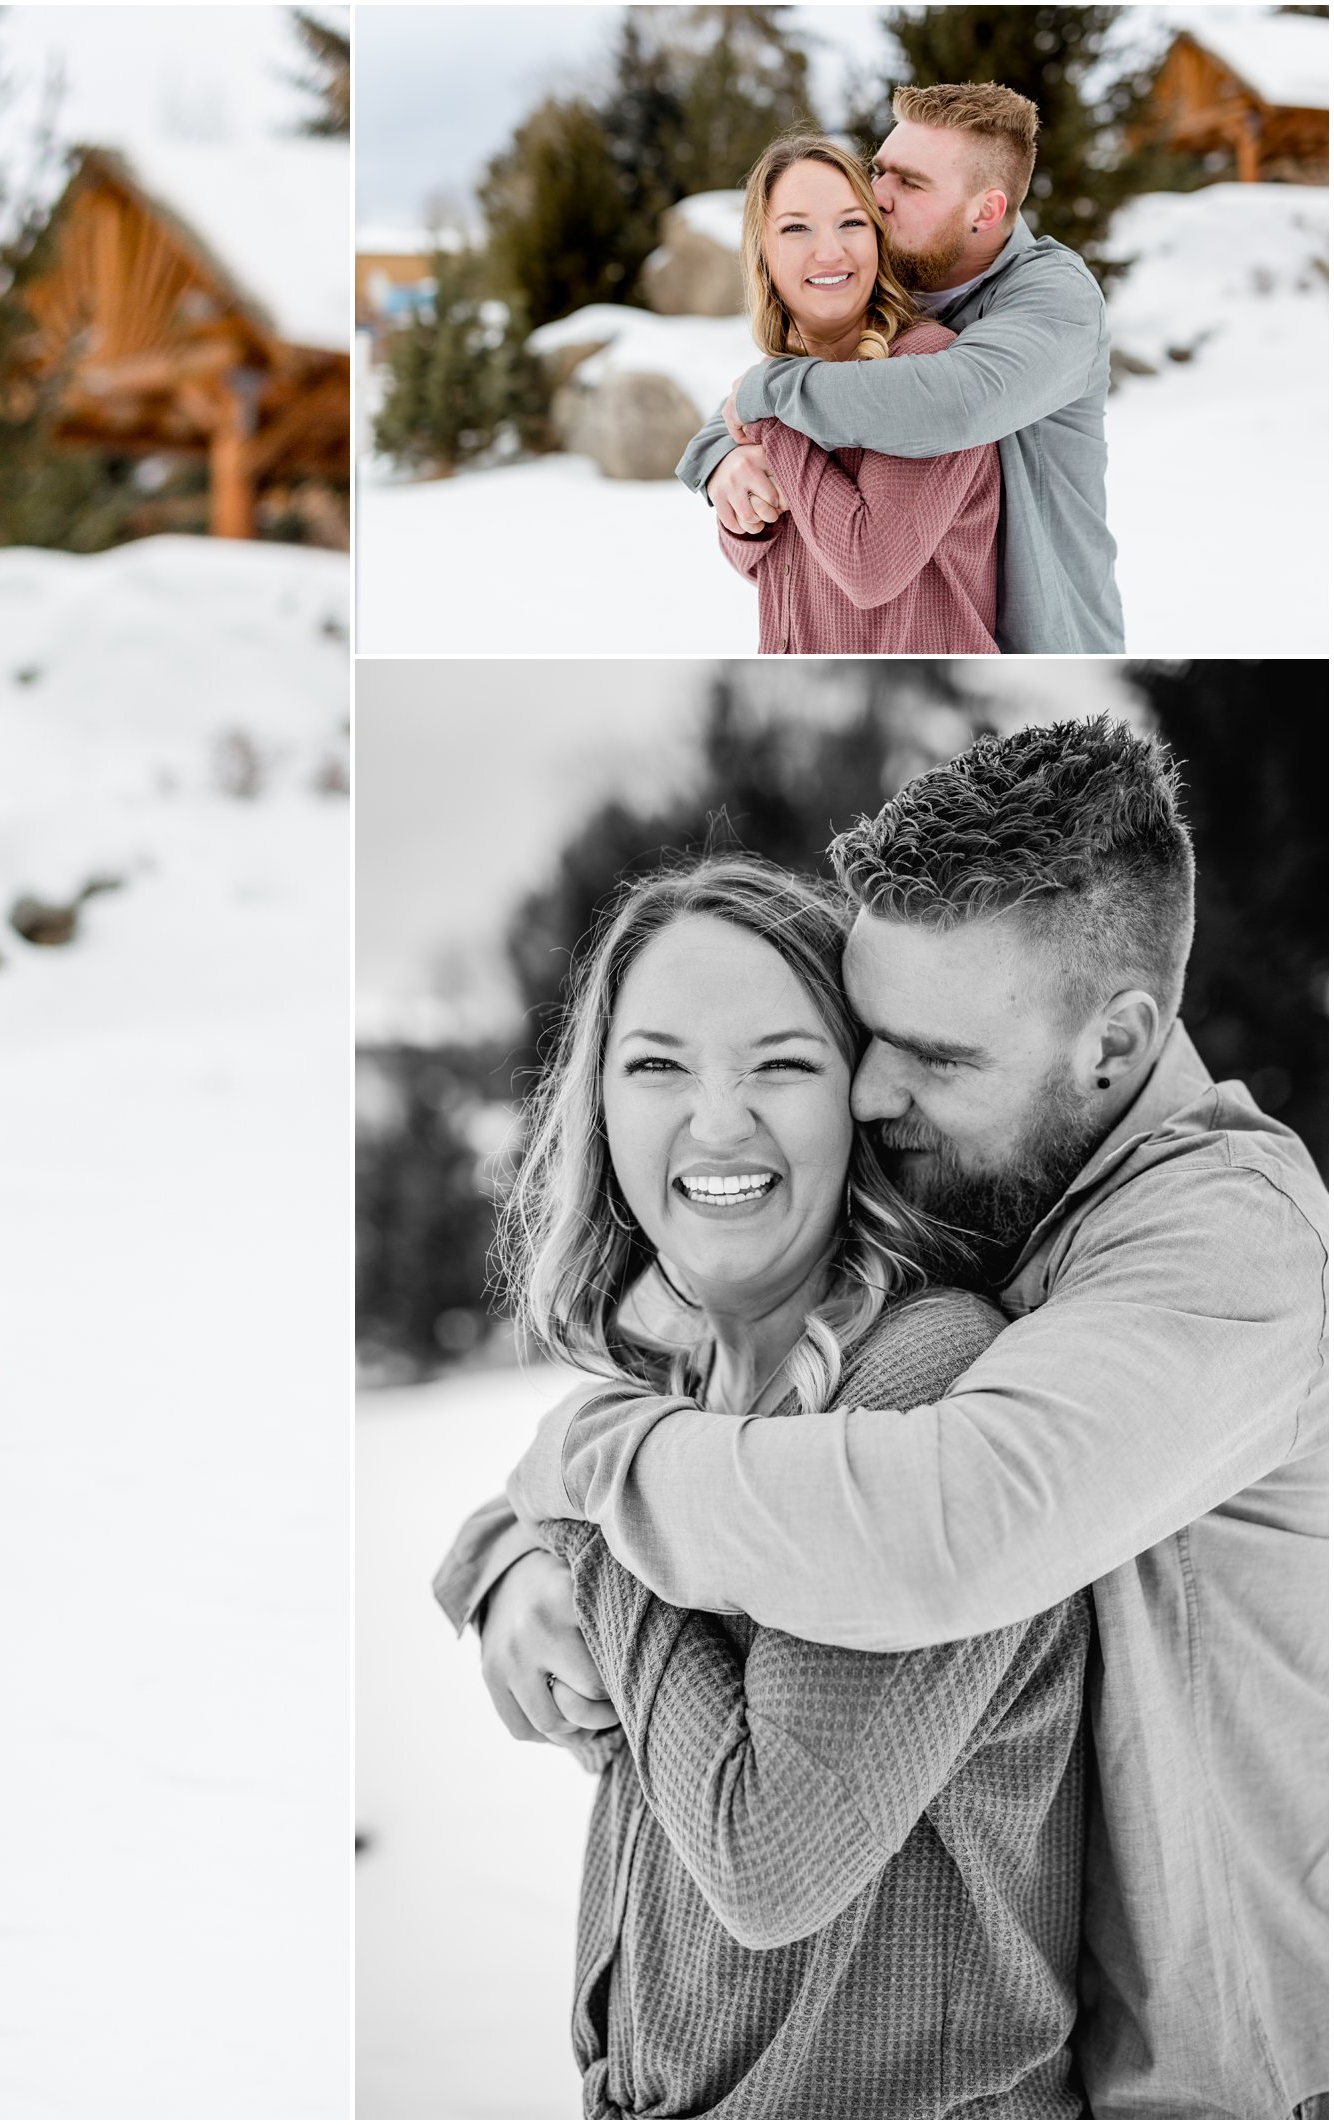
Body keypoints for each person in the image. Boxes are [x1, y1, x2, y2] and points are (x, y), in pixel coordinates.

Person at [440, 719, 1328, 2120]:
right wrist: (505, 1548)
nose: (867, 1092)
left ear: (1114, 1043)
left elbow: (937, 1525)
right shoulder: (1022, 1207)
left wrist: (587, 1467)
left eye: (926, 1052)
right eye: (863, 1035)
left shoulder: (1222, 1245)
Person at [498, 852, 1090, 2117]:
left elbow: (765, 1858)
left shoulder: (920, 1381)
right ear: (596, 1102)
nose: (716, 1121)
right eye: (656, 1063)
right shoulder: (691, 1386)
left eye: (780, 1062)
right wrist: (507, 1560)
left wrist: (598, 1504)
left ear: (859, 1102)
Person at [680, 84, 1124, 654]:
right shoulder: (903, 278)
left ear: (985, 211)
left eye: (910, 182)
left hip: (1046, 648)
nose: (878, 195)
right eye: (881, 169)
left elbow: (952, 403)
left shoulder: (1052, 296)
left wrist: (768, 395)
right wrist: (719, 457)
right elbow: (775, 403)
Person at [706, 134, 1000, 654]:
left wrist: (772, 417)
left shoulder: (924, 366)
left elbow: (869, 566)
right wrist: (742, 504)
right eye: (796, 228)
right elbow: (786, 570)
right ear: (763, 252)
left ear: (877, 240)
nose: (829, 251)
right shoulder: (783, 378)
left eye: (851, 223)